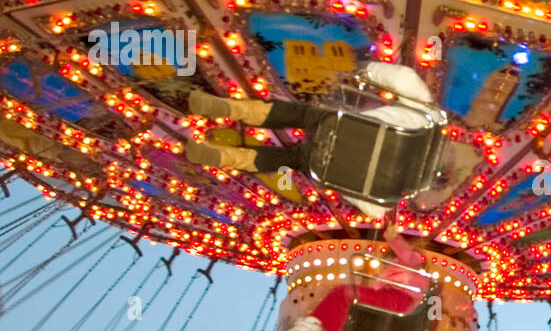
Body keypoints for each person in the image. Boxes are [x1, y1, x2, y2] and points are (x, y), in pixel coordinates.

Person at [183, 61, 436, 216]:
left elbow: (403, 77)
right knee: (286, 160)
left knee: (300, 114)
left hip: (342, 128)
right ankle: (221, 156)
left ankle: (230, 109)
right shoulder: (395, 195)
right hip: (326, 164)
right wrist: (336, 182)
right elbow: (373, 210)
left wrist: (366, 69)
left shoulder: (431, 117)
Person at [263, 214, 432, 331]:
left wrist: (393, 237)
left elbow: (408, 256)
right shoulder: (401, 273)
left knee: (344, 294)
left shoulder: (415, 265)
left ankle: (311, 327)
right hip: (389, 311)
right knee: (340, 319)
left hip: (398, 302)